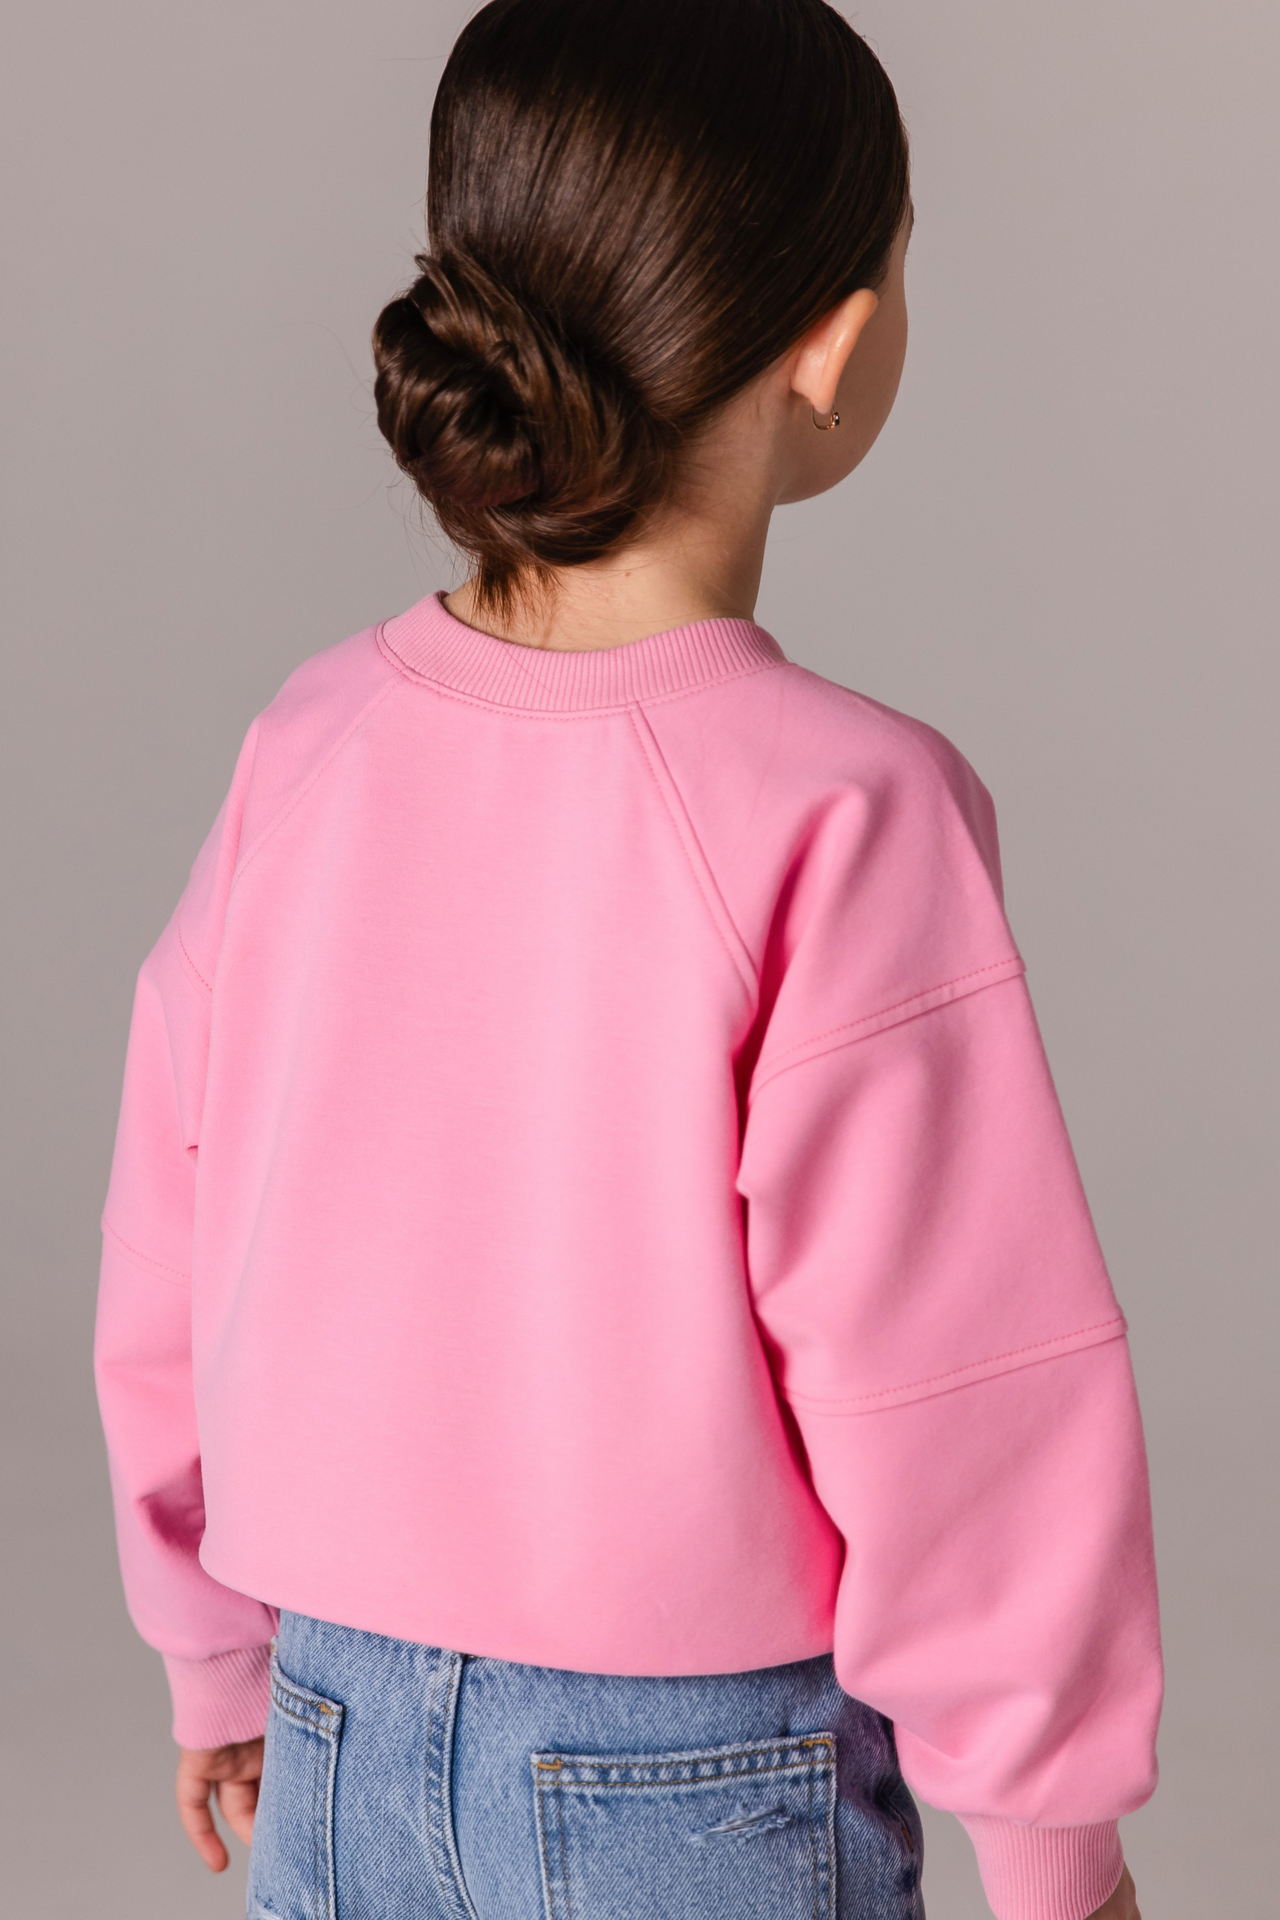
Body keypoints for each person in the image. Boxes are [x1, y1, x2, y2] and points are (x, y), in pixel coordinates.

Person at [91, 3, 1163, 1917]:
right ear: (833, 341)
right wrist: (1052, 1840)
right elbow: (958, 1386)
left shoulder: (309, 744)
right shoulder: (849, 812)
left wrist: (211, 1652)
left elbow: (169, 1236)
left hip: (330, 1723)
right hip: (691, 1785)